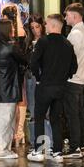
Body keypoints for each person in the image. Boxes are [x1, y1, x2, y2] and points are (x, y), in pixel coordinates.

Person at [27, 14, 78, 163]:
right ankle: (57, 152)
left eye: (47, 24)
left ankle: (38, 150)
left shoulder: (43, 41)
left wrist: (39, 77)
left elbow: (33, 63)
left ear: (54, 25)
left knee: (39, 117)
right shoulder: (68, 44)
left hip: (44, 86)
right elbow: (74, 67)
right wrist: (64, 76)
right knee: (56, 119)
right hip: (61, 87)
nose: (46, 26)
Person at [0, 19, 27, 159]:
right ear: (7, 30)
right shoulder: (11, 46)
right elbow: (24, 60)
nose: (13, 31)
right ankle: (2, 150)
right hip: (7, 88)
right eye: (12, 29)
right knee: (6, 119)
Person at [63, 3, 84, 159]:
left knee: (72, 114)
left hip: (72, 79)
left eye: (67, 15)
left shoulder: (75, 34)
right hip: (81, 79)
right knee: (80, 113)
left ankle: (75, 148)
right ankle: (82, 146)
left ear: (74, 16)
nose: (65, 18)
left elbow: (68, 58)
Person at [25, 14, 53, 151]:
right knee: (32, 111)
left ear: (42, 26)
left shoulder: (47, 41)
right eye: (32, 27)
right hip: (31, 78)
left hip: (45, 78)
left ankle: (47, 143)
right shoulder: (28, 43)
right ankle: (34, 143)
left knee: (46, 111)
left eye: (37, 26)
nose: (35, 30)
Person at [2, 4, 28, 146]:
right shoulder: (21, 31)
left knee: (11, 100)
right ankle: (20, 132)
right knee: (21, 98)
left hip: (8, 69)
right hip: (19, 68)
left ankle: (13, 133)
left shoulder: (6, 32)